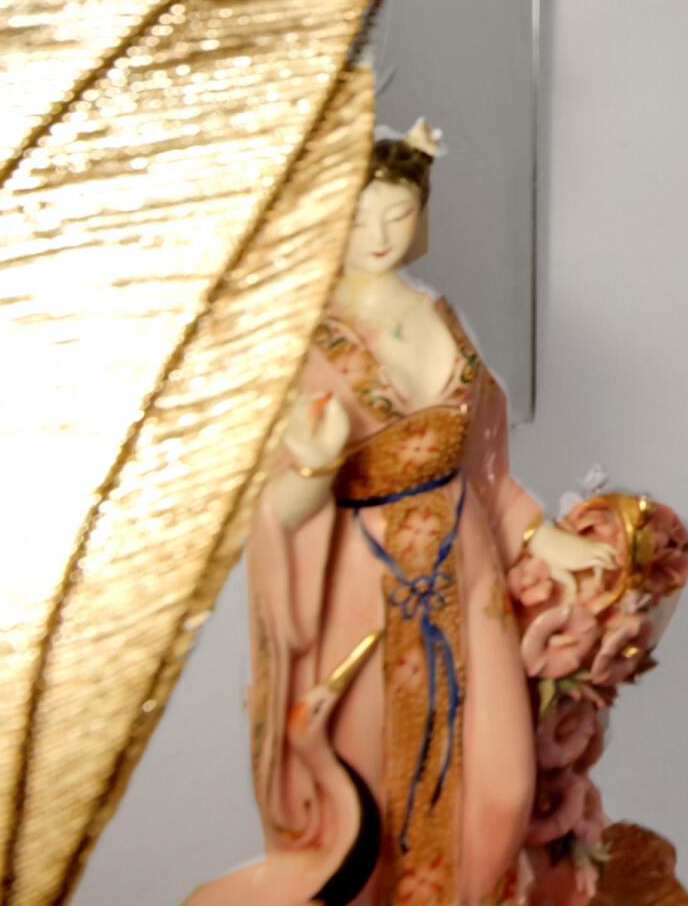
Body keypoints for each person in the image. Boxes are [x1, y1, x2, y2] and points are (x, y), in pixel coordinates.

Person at [193, 124, 614, 906]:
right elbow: (278, 510)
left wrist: (539, 533)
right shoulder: (304, 342)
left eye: (398, 211)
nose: (380, 233)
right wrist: (314, 464)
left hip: (467, 571)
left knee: (500, 788)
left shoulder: (440, 315)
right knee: (375, 806)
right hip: (361, 595)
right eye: (359, 215)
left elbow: (483, 462)